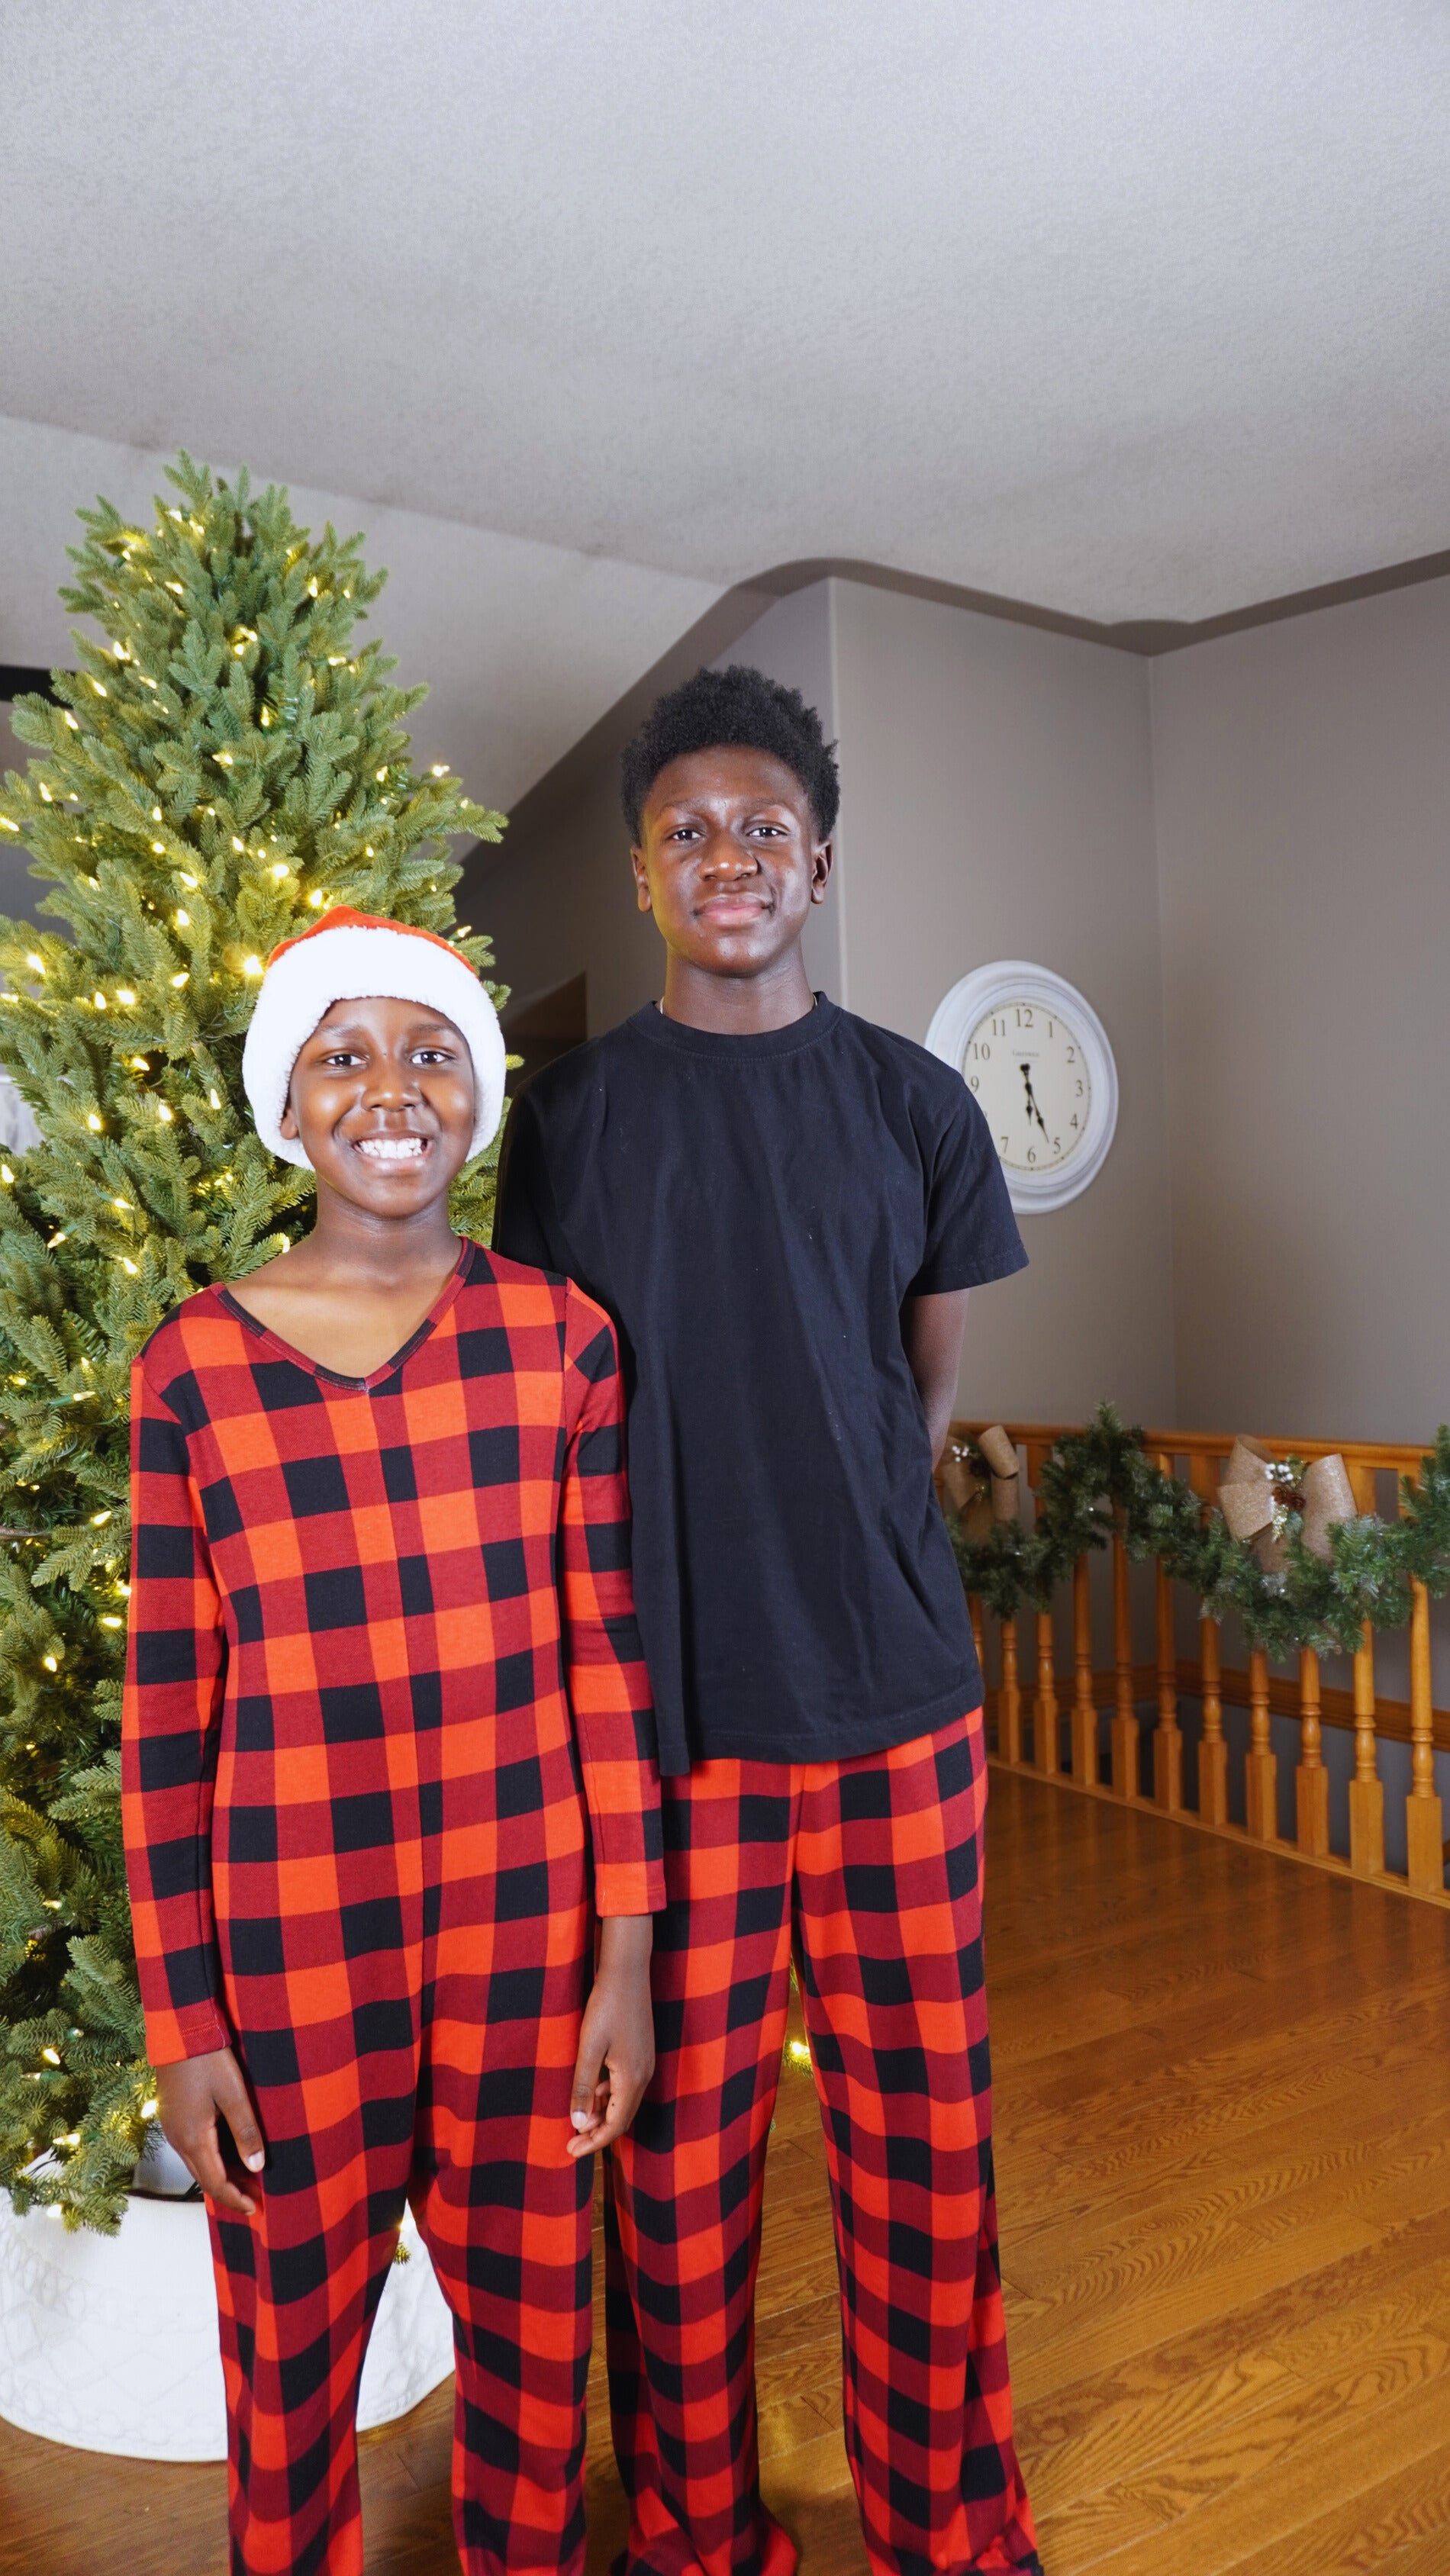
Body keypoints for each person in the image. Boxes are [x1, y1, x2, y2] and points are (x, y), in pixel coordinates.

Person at [495, 668, 1042, 2576]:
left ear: (815, 862)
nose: (726, 854)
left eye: (763, 828)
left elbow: (920, 1380)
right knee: (673, 2179)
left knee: (925, 2156)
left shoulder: (913, 1100)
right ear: (644, 870)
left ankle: (948, 2526)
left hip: (897, 1708)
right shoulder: (562, 1123)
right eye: (686, 830)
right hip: (668, 1737)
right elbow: (543, 1402)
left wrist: (843, 1529)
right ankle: (695, 2533)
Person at [121, 908, 664, 2576]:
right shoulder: (193, 1370)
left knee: (531, 2338)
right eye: (343, 1051)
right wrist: (180, 2015)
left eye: (431, 1050)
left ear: (479, 1095)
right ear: (287, 1103)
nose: (392, 1087)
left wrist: (625, 1956)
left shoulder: (561, 1339)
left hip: (522, 1933)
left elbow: (605, 1661)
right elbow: (163, 1712)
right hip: (289, 1961)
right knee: (288, 2358)